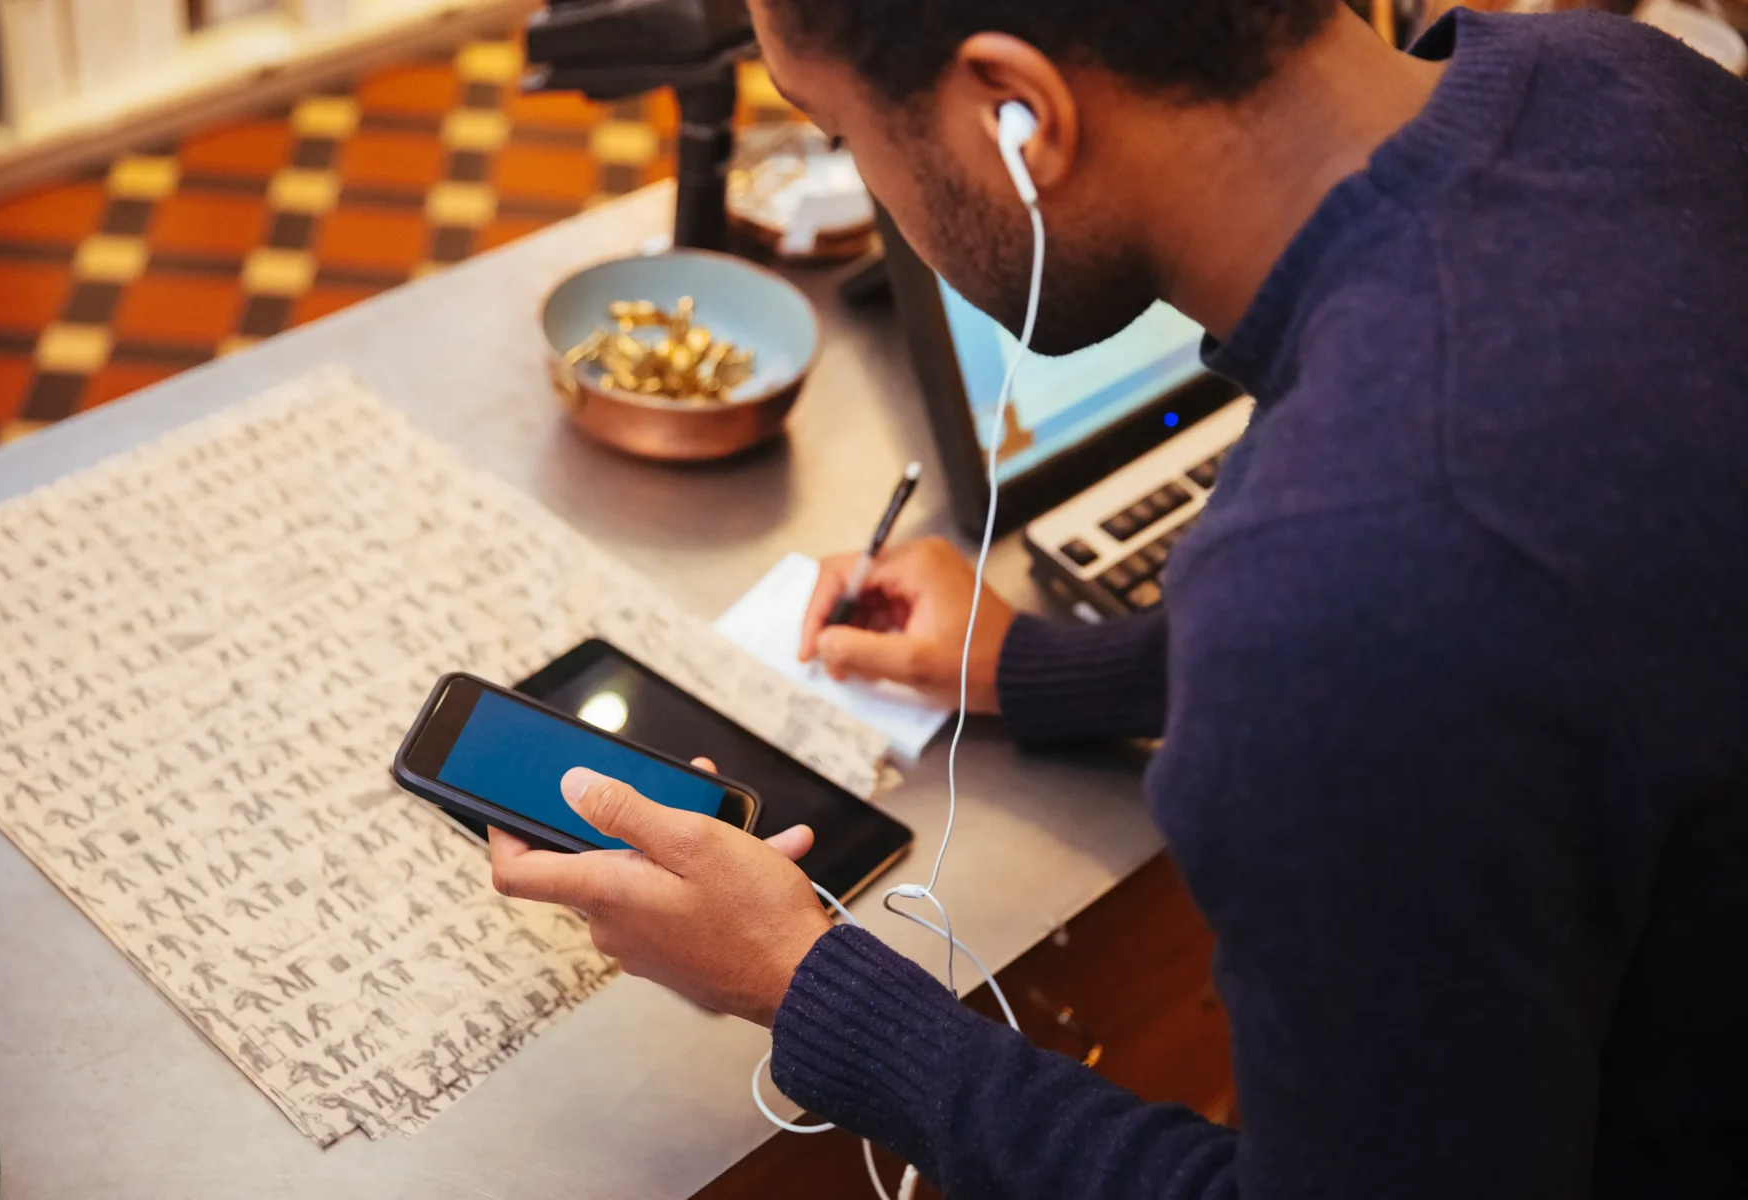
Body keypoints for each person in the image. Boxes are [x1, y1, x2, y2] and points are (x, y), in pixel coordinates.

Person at [489, 2, 1748, 1196]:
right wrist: (1033, 669)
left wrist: (802, 983)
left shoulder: (1339, 601)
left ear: (1016, 114)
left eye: (840, 132)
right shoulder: (1627, 81)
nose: (862, 184)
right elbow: (1563, 594)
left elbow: (1396, 621)